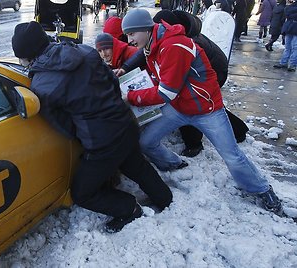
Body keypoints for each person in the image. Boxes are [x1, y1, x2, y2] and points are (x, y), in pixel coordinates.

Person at [11, 21, 173, 233]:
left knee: (82, 193)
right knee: (135, 164)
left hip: (102, 142)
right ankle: (166, 200)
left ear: (27, 56)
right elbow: (113, 84)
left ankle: (129, 209)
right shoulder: (85, 51)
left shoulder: (42, 86)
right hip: (125, 122)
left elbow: (66, 128)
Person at [121, 8, 283, 215]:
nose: (129, 39)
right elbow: (161, 79)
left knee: (232, 155)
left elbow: (165, 93)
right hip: (180, 106)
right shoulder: (152, 45)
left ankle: (262, 190)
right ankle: (175, 164)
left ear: (145, 29)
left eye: (132, 33)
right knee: (146, 142)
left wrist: (131, 97)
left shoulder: (173, 46)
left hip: (206, 109)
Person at [117, 10, 249, 157]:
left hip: (215, 70)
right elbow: (144, 53)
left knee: (196, 102)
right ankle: (237, 130)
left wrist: (133, 96)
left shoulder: (178, 43)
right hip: (200, 73)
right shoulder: (163, 38)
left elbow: (169, 91)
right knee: (188, 101)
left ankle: (195, 143)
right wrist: (125, 68)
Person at [273, 0, 297, 71]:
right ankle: (287, 63)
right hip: (290, 27)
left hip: (289, 27)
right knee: (290, 46)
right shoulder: (292, 5)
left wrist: (291, 14)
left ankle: (289, 64)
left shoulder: (292, 5)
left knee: (293, 47)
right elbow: (286, 11)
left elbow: (287, 12)